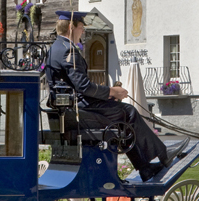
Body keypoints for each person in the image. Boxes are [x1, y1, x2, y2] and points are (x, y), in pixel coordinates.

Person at [46, 10, 188, 182]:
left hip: (71, 109)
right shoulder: (68, 50)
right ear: (71, 27)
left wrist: (106, 97)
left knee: (123, 115)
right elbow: (83, 86)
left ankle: (145, 168)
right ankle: (162, 155)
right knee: (128, 112)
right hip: (78, 111)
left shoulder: (55, 48)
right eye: (81, 27)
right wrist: (112, 92)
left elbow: (75, 87)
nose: (83, 31)